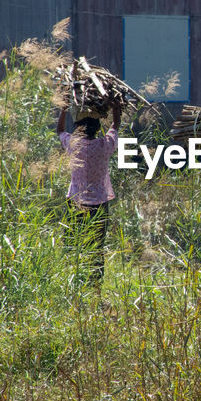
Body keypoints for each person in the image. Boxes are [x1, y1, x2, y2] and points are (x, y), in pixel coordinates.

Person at [58, 102, 122, 287]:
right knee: (96, 248)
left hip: (76, 204)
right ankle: (94, 288)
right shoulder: (104, 145)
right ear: (97, 128)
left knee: (73, 244)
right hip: (99, 206)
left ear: (78, 128)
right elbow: (115, 126)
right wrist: (116, 108)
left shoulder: (73, 144)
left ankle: (72, 285)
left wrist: (63, 109)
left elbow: (59, 130)